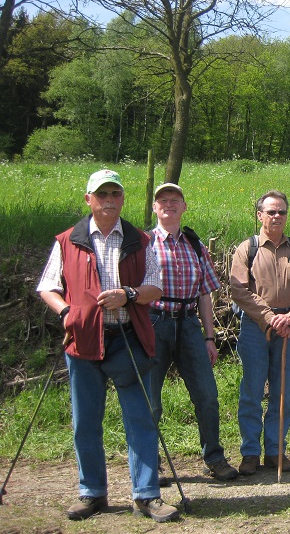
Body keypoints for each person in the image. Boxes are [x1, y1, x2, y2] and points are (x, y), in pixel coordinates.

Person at [37, 169, 178, 522]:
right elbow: (47, 287)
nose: (110, 200)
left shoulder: (141, 240)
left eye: (115, 194)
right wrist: (66, 311)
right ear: (89, 199)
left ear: (123, 199)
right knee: (85, 421)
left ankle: (146, 496)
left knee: (140, 420)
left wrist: (127, 294)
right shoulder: (67, 240)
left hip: (128, 339)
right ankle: (92, 493)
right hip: (82, 341)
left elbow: (154, 288)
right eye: (102, 195)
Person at [147, 183, 238, 483]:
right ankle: (150, 463)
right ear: (154, 207)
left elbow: (204, 295)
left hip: (188, 324)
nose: (169, 205)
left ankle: (214, 457)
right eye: (163, 200)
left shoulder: (195, 245)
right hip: (153, 322)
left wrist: (209, 338)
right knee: (150, 399)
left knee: (207, 395)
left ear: (184, 207)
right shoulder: (143, 244)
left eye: (175, 200)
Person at [230, 190, 290, 476]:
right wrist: (268, 317)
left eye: (282, 212)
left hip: (287, 330)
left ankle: (276, 451)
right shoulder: (247, 249)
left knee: (282, 394)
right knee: (252, 392)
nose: (277, 216)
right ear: (260, 215)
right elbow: (238, 290)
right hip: (255, 329)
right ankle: (250, 453)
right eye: (271, 212)